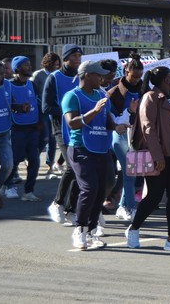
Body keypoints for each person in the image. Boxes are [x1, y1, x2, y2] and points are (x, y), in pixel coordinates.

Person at [125, 66, 170, 253]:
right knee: (154, 197)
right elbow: (148, 128)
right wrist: (157, 155)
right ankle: (134, 228)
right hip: (161, 156)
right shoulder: (151, 98)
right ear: (164, 80)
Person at [62, 60, 116, 249]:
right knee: (89, 189)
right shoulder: (72, 96)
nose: (102, 78)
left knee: (101, 191)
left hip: (102, 149)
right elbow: (72, 123)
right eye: (98, 75)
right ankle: (80, 230)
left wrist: (120, 124)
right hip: (80, 149)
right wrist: (94, 111)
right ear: (86, 75)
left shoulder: (101, 95)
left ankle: (92, 231)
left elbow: (108, 121)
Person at [44, 44, 83, 225]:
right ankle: (57, 203)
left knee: (79, 167)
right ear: (65, 58)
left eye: (79, 56)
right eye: (74, 56)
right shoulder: (54, 78)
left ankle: (71, 209)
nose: (77, 59)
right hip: (61, 127)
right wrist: (68, 111)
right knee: (72, 166)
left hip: (79, 127)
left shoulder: (82, 77)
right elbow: (46, 107)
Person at [107, 53, 143, 221]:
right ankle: (132, 208)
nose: (136, 79)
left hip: (137, 136)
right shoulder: (114, 92)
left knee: (133, 174)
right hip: (119, 135)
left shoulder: (144, 89)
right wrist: (130, 112)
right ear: (125, 71)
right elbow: (112, 121)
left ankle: (122, 207)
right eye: (133, 76)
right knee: (130, 173)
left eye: (139, 76)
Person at [0, 58, 30, 219]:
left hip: (4, 134)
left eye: (2, 73)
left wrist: (19, 108)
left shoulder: (7, 85)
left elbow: (9, 105)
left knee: (8, 166)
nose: (0, 77)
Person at [7, 57, 42, 201]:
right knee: (15, 160)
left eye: (29, 64)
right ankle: (8, 186)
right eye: (25, 65)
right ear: (17, 68)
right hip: (17, 129)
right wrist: (18, 108)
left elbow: (38, 103)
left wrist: (40, 121)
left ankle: (28, 191)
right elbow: (5, 105)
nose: (29, 67)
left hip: (33, 128)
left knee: (34, 161)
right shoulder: (8, 85)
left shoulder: (32, 85)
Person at [32, 52, 60, 178]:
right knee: (44, 138)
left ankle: (50, 166)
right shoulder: (38, 75)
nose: (56, 66)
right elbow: (32, 92)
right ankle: (33, 159)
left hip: (53, 111)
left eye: (58, 64)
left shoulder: (57, 75)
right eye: (54, 64)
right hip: (42, 111)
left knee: (53, 138)